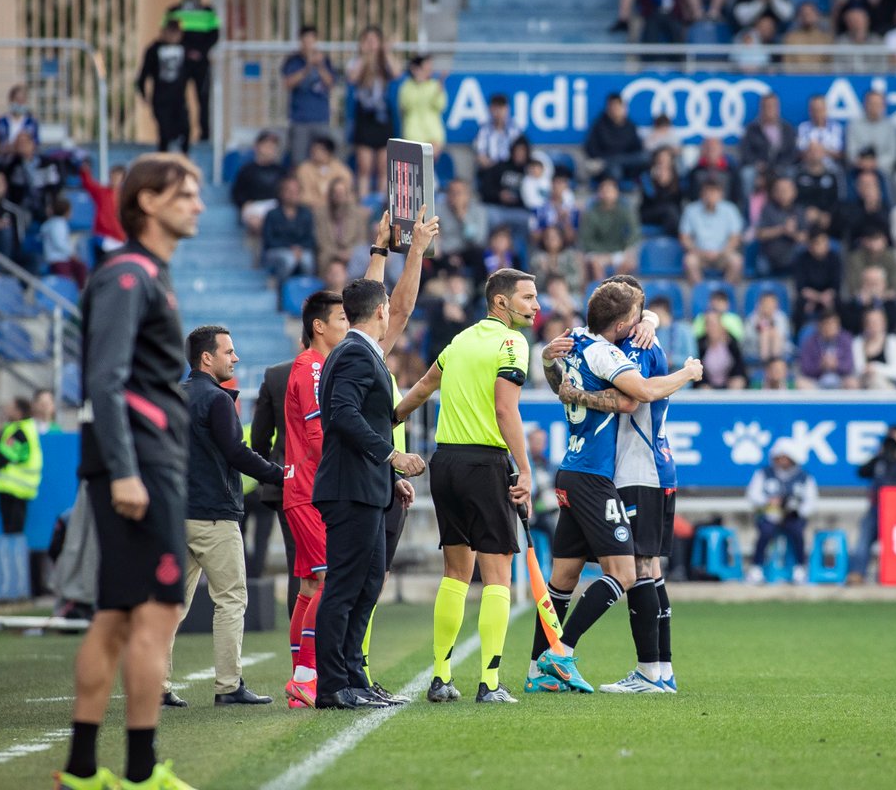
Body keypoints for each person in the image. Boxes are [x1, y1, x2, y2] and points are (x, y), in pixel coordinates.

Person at [58, 153, 203, 789]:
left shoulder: (149, 274)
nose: (197, 202)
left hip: (145, 461)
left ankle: (83, 773)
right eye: (185, 192)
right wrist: (124, 471)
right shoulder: (127, 274)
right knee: (155, 614)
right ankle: (141, 776)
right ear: (147, 201)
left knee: (117, 617)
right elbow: (105, 380)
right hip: (140, 465)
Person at [521, 282, 701, 695]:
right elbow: (635, 398)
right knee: (634, 571)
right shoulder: (613, 350)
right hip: (611, 474)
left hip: (599, 468)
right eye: (639, 314)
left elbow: (561, 383)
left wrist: (556, 370)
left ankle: (654, 672)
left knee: (601, 573)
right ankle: (571, 657)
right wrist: (690, 372)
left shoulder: (575, 342)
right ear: (624, 322)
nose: (643, 320)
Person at [283, 211, 430, 709]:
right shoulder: (351, 353)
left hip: (369, 485)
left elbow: (362, 414)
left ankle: (354, 676)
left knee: (365, 586)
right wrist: (391, 454)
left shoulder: (360, 352)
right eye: (389, 306)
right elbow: (341, 415)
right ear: (383, 310)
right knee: (345, 587)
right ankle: (332, 686)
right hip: (349, 488)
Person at [392, 268, 540, 704]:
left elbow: (422, 388)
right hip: (484, 463)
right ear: (501, 302)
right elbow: (504, 409)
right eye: (528, 297)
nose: (535, 305)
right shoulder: (512, 343)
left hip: (446, 464)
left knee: (455, 574)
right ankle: (490, 683)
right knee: (497, 576)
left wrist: (390, 421)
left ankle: (440, 677)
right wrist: (525, 470)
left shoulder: (460, 341)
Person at [160, 326, 282, 708]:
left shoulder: (172, 397)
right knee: (231, 599)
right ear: (206, 358)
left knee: (170, 606)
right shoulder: (216, 399)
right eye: (229, 352)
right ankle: (228, 686)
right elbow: (236, 452)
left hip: (175, 515)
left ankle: (156, 686)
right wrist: (282, 475)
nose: (236, 358)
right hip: (214, 516)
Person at [249, 359, 299, 623]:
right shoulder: (341, 366)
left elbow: (260, 436)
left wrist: (273, 471)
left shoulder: (276, 374)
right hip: (332, 481)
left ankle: (301, 651)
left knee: (299, 565)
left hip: (286, 479)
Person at [849, 426, 896, 584]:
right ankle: (857, 573)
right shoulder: (879, 461)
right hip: (877, 509)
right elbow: (861, 472)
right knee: (864, 538)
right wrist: (879, 454)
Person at [744, 439, 816, 585]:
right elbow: (752, 495)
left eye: (785, 457)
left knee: (797, 533)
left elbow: (811, 501)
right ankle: (756, 569)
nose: (782, 461)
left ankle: (799, 569)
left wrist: (796, 509)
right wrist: (768, 502)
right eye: (779, 457)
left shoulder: (804, 477)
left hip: (792, 517)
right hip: (770, 515)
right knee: (765, 532)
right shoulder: (764, 473)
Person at [345, 26, 400, 197]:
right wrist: (364, 56)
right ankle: (364, 201)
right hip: (365, 118)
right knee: (365, 166)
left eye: (374, 40)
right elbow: (352, 77)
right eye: (367, 40)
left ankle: (381, 203)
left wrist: (386, 52)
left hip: (383, 118)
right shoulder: (356, 62)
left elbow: (397, 72)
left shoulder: (384, 64)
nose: (371, 44)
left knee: (384, 166)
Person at [163, 0, 220, 139]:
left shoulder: (209, 11)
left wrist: (200, 52)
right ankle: (178, 131)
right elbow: (167, 32)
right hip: (180, 61)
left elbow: (215, 34)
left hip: (201, 63)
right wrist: (187, 51)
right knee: (177, 98)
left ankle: (204, 134)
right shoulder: (173, 11)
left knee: (203, 98)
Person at [282, 25, 337, 166]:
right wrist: (307, 67)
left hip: (321, 118)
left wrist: (320, 66)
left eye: (312, 40)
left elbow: (330, 84)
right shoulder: (293, 61)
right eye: (306, 40)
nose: (309, 44)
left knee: (324, 159)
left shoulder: (325, 60)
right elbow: (288, 83)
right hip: (300, 119)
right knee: (298, 160)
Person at [136, 21, 190, 153]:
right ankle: (163, 159)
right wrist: (143, 93)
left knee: (185, 128)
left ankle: (183, 157)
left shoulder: (185, 48)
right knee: (165, 132)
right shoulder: (154, 50)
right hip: (161, 99)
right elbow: (143, 75)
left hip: (178, 98)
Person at [0, 397, 42, 535]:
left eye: (11, 407)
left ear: (19, 412)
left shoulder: (19, 432)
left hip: (14, 489)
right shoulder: (25, 428)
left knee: (12, 533)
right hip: (17, 490)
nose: (6, 410)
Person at [680, 176, 744, 284]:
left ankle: (724, 295)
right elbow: (684, 237)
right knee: (689, 261)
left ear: (721, 194)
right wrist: (698, 251)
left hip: (723, 254)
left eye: (714, 192)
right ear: (701, 193)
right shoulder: (691, 210)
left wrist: (721, 252)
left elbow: (735, 238)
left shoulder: (730, 209)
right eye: (707, 192)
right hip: (699, 253)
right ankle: (701, 293)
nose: (710, 195)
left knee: (737, 261)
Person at [580, 176, 640, 280]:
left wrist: (626, 248)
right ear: (599, 193)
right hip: (596, 252)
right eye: (604, 190)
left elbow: (634, 231)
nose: (607, 194)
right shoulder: (591, 212)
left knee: (630, 262)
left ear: (616, 193)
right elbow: (586, 238)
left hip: (618, 250)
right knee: (595, 263)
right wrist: (603, 254)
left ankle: (614, 287)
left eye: (610, 190)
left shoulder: (624, 210)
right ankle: (602, 292)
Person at [232, 131, 288, 236]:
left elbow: (285, 192)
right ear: (257, 147)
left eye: (273, 146)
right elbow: (237, 192)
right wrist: (244, 204)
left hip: (275, 206)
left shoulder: (281, 171)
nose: (269, 149)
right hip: (253, 206)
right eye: (266, 145)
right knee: (257, 222)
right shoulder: (247, 170)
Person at [262, 176, 317, 282]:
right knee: (288, 259)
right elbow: (269, 240)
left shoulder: (306, 214)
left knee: (308, 260)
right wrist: (290, 248)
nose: (293, 194)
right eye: (289, 191)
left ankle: (304, 289)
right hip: (277, 251)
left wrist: (299, 248)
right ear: (281, 193)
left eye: (296, 191)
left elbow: (310, 239)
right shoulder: (272, 214)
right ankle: (282, 289)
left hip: (301, 250)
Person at [584, 92, 646, 183]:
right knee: (615, 170)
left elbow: (637, 149)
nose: (615, 110)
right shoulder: (599, 125)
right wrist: (606, 158)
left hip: (627, 164)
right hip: (607, 164)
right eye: (612, 107)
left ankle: (616, 161)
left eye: (617, 106)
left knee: (645, 157)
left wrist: (619, 159)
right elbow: (591, 148)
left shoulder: (630, 126)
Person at [314, 177, 370, 276]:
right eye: (335, 192)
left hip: (352, 254)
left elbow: (361, 239)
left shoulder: (358, 214)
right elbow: (321, 241)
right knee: (324, 259)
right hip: (330, 254)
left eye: (341, 193)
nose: (338, 196)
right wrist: (338, 254)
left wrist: (349, 253)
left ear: (347, 194)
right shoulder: (320, 214)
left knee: (362, 257)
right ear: (330, 195)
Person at [433, 178, 488, 279]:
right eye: (451, 192)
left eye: (458, 193)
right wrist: (450, 255)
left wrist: (462, 216)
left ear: (467, 195)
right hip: (446, 252)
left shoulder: (478, 211)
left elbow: (478, 240)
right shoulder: (438, 210)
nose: (454, 196)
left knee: (479, 255)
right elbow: (436, 238)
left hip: (467, 250)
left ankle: (480, 289)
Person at [398, 54, 447, 159]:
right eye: (426, 67)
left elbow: (440, 105)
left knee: (429, 163)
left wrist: (439, 89)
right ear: (416, 69)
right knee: (416, 167)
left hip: (433, 133)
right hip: (413, 134)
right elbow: (406, 105)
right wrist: (418, 85)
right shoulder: (407, 86)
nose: (429, 70)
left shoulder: (435, 85)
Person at [798, 310, 857, 390]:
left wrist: (836, 365)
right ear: (820, 326)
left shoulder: (846, 340)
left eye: (833, 324)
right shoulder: (810, 342)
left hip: (841, 380)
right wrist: (820, 365)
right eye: (827, 324)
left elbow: (849, 365)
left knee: (852, 383)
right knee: (800, 383)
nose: (830, 327)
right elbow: (805, 368)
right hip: (817, 380)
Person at [845, 91, 896, 178]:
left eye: (877, 104)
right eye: (871, 103)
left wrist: (875, 164)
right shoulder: (853, 125)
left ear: (883, 106)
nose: (874, 107)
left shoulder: (891, 127)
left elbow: (893, 155)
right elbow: (850, 153)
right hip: (858, 170)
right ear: (865, 104)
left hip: (884, 171)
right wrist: (863, 163)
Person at [79, 159, 127, 253]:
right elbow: (88, 184)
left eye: (118, 176)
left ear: (122, 179)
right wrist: (85, 170)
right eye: (112, 175)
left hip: (119, 237)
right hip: (103, 235)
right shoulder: (101, 191)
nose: (114, 179)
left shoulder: (125, 195)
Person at [853, 307, 896, 389]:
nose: (873, 325)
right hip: (863, 384)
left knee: (875, 380)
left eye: (876, 322)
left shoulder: (893, 342)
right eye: (869, 322)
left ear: (884, 323)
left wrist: (875, 368)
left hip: (890, 388)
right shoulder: (858, 342)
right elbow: (857, 370)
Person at [42, 196, 88, 288]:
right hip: (57, 259)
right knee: (64, 281)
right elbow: (59, 244)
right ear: (66, 211)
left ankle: (79, 292)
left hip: (63, 258)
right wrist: (72, 254)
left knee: (81, 267)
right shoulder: (57, 224)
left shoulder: (58, 223)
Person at [473, 93, 524, 175]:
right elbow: (480, 155)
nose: (499, 112)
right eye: (496, 108)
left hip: (510, 169)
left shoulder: (515, 129)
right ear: (490, 109)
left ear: (507, 109)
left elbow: (519, 154)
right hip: (490, 170)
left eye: (502, 108)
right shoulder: (484, 130)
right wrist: (495, 167)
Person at [0, 85, 40, 152]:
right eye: (17, 100)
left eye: (22, 100)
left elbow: (36, 142)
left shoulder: (31, 123)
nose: (20, 103)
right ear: (11, 100)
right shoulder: (1, 122)